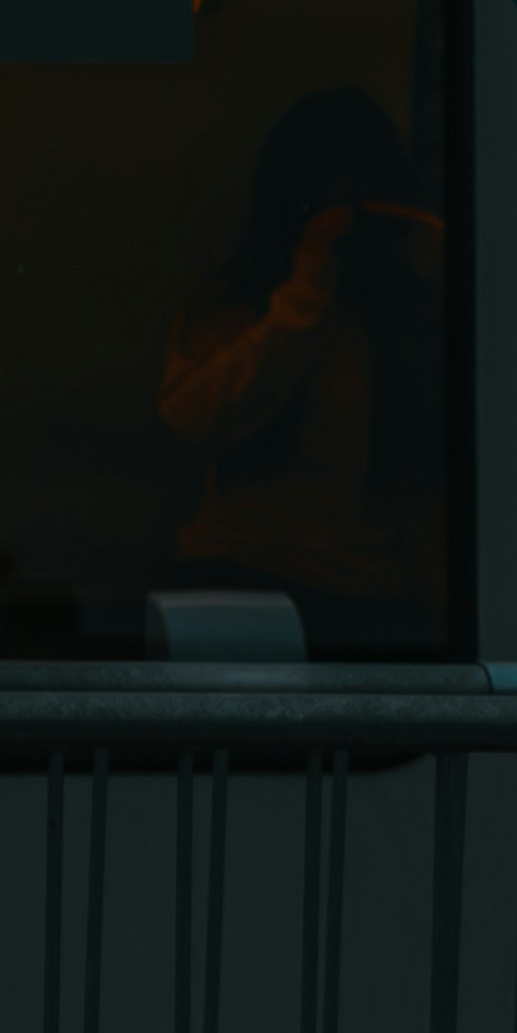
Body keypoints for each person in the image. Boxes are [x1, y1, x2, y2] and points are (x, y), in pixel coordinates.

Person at [155, 88, 459, 630]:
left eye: (365, 209)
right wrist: (307, 290)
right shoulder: (242, 309)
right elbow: (191, 418)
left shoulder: (410, 314)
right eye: (329, 209)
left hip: (375, 588)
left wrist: (441, 273)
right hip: (245, 572)